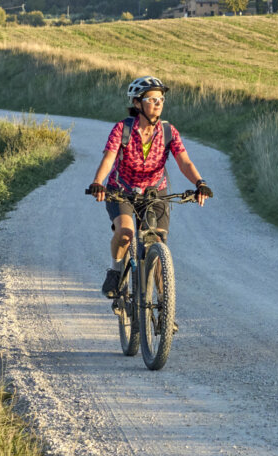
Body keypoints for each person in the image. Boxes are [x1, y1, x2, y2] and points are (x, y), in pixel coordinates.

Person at [87, 75, 212, 298]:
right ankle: (115, 272)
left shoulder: (168, 131)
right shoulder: (123, 129)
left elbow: (184, 162)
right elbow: (109, 158)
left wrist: (200, 183)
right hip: (122, 191)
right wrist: (97, 182)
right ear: (137, 103)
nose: (158, 103)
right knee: (125, 232)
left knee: (158, 241)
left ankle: (165, 304)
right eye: (152, 99)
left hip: (155, 192)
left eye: (161, 99)